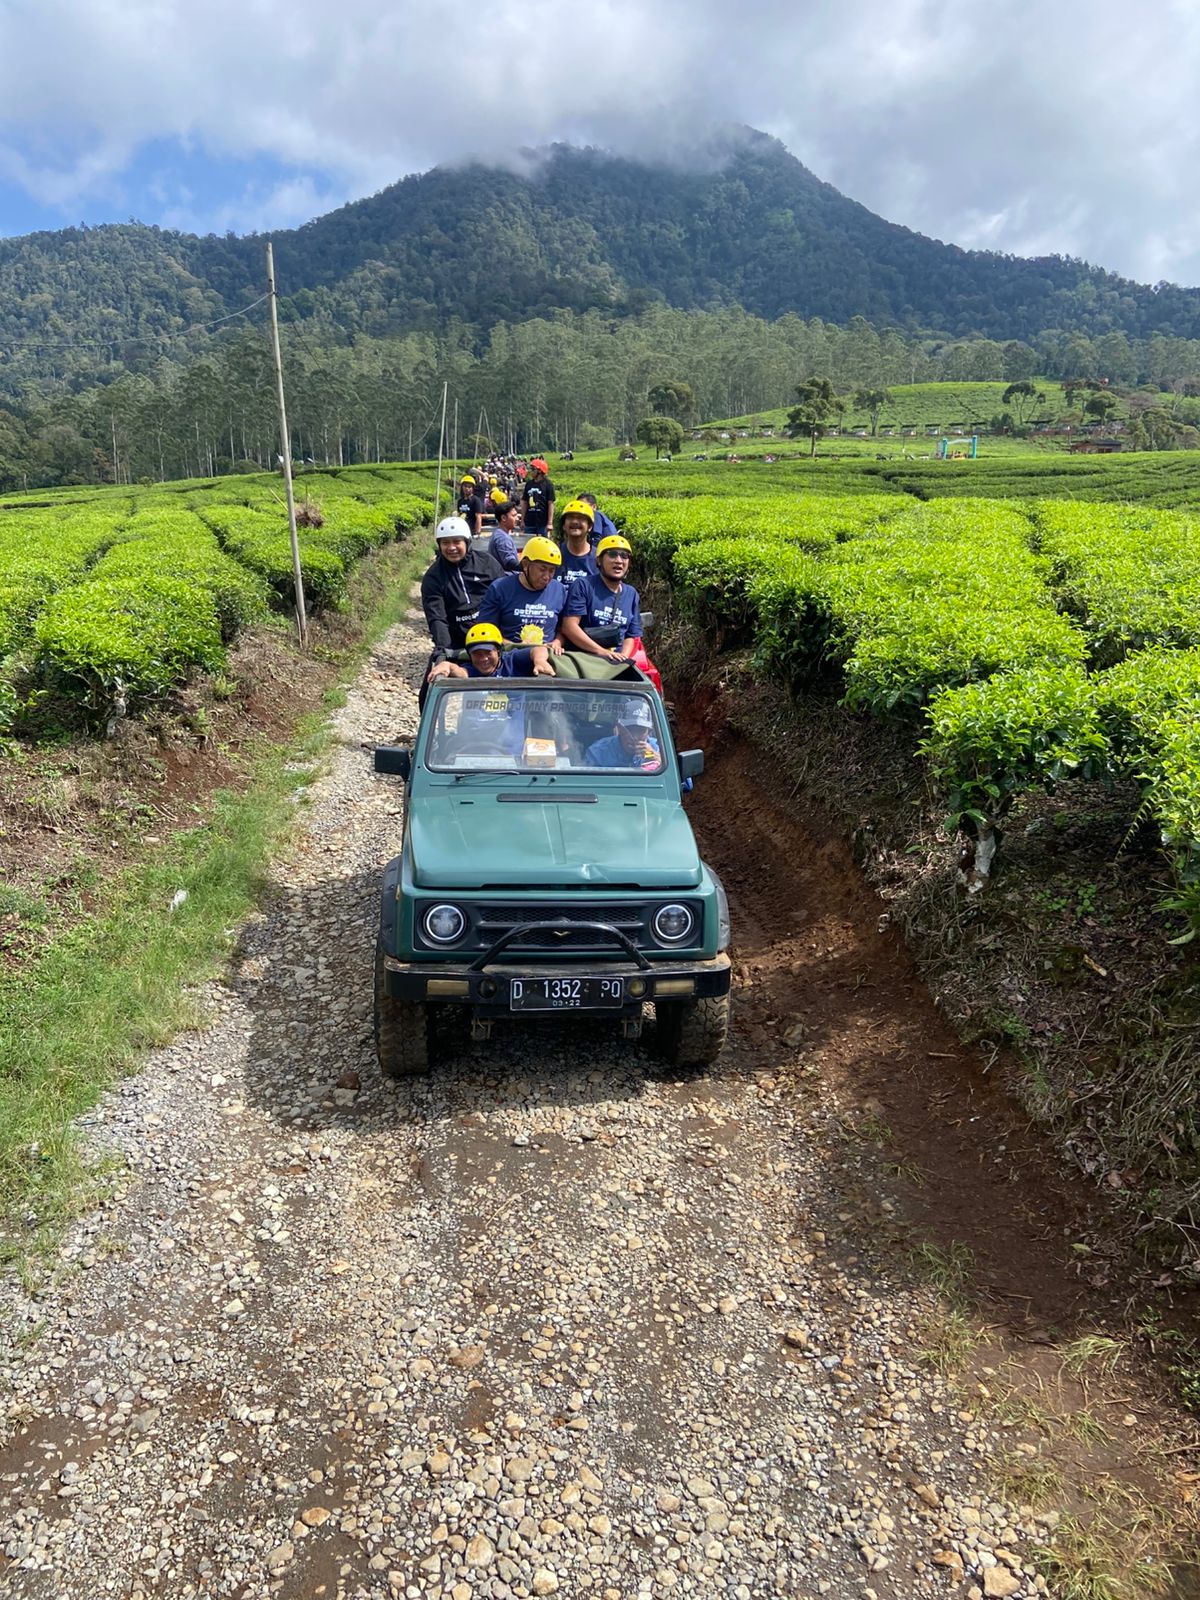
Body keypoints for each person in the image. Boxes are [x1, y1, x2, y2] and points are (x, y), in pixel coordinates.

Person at [420, 515, 503, 663]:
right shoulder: (433, 577)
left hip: (494, 637)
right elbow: (437, 617)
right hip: (457, 643)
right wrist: (444, 649)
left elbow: (505, 598)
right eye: (445, 543)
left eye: (456, 542)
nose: (451, 548)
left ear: (467, 541)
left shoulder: (487, 563)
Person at [560, 534, 642, 662]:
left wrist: (623, 658)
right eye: (612, 554)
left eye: (624, 556)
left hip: (616, 663)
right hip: (584, 658)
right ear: (598, 561)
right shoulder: (583, 585)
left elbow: (631, 635)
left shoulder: (632, 594)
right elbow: (569, 626)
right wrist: (601, 651)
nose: (619, 560)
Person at [477, 535, 568, 650]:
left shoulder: (559, 590)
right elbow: (484, 630)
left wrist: (557, 642)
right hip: (509, 655)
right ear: (525, 565)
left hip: (548, 656)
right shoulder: (500, 588)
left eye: (552, 570)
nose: (547, 577)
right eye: (542, 569)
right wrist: (513, 645)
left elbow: (564, 629)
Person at [426, 622, 553, 683]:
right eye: (477, 654)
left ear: (498, 651)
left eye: (488, 652)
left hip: (516, 723)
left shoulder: (512, 660)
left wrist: (539, 661)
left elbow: (539, 649)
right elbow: (460, 672)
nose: (484, 658)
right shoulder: (474, 670)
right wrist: (447, 665)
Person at [585, 698, 663, 770]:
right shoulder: (598, 752)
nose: (635, 736)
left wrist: (652, 756)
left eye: (640, 730)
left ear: (649, 732)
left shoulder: (659, 748)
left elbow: (669, 777)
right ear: (619, 729)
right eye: (629, 729)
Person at [556, 497, 598, 595]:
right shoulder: (553, 553)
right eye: (570, 518)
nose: (575, 522)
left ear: (590, 526)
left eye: (581, 518)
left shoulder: (599, 558)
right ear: (563, 525)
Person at [521, 457, 555, 537]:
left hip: (542, 523)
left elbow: (550, 503)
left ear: (539, 471)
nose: (531, 471)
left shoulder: (548, 485)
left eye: (533, 469)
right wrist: (522, 520)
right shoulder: (529, 484)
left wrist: (550, 523)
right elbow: (524, 502)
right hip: (529, 522)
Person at [488, 499, 523, 572]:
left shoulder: (499, 533)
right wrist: (527, 567)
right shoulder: (502, 538)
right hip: (506, 578)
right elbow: (509, 562)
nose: (517, 519)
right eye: (514, 516)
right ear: (503, 518)